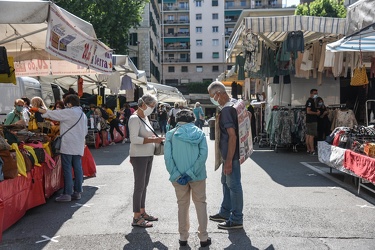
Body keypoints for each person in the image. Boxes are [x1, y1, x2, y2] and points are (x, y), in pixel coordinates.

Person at [164, 109, 211, 247]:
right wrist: (191, 172)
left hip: (178, 177)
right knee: (201, 204)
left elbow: (168, 158)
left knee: (182, 205)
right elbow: (203, 156)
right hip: (198, 175)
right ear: (193, 119)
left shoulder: (171, 135)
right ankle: (203, 237)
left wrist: (176, 174)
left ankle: (183, 237)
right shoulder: (200, 133)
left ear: (177, 120)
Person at [207, 80, 243, 230]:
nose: (212, 99)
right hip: (228, 154)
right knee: (225, 182)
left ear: (219, 94)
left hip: (230, 155)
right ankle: (225, 212)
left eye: (212, 96)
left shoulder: (227, 110)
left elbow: (232, 136)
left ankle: (236, 219)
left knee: (233, 185)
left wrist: (228, 160)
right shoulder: (234, 103)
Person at [38, 94, 88, 202]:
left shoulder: (70, 112)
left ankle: (67, 193)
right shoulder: (83, 114)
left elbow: (53, 114)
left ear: (69, 104)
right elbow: (85, 131)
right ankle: (78, 192)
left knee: (67, 169)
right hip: (78, 144)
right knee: (78, 168)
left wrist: (39, 110)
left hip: (68, 144)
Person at [128, 93, 164, 228]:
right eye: (151, 106)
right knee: (139, 186)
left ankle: (142, 212)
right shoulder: (134, 118)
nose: (152, 108)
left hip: (148, 154)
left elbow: (147, 135)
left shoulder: (146, 117)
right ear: (143, 104)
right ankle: (136, 216)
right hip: (139, 156)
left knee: (144, 185)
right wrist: (153, 140)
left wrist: (156, 139)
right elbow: (134, 139)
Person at [305, 89, 320, 155]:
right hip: (312, 120)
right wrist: (316, 113)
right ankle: (312, 149)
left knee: (308, 135)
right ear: (311, 94)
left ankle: (308, 149)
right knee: (311, 136)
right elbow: (308, 111)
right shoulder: (310, 101)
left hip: (309, 120)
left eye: (316, 93)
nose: (315, 95)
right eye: (314, 93)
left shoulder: (312, 101)